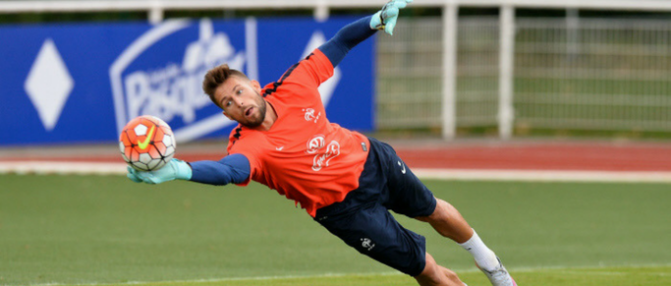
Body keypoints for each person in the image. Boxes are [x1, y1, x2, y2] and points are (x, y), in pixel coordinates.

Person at [126, 1, 517, 285]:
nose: (239, 102)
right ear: (226, 115)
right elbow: (230, 172)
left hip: (372, 162)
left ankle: (497, 273)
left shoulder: (294, 84)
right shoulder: (247, 145)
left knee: (436, 212)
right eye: (228, 103)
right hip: (344, 212)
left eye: (240, 91)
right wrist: (181, 169)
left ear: (254, 86)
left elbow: (340, 41)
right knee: (425, 269)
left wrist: (377, 19)